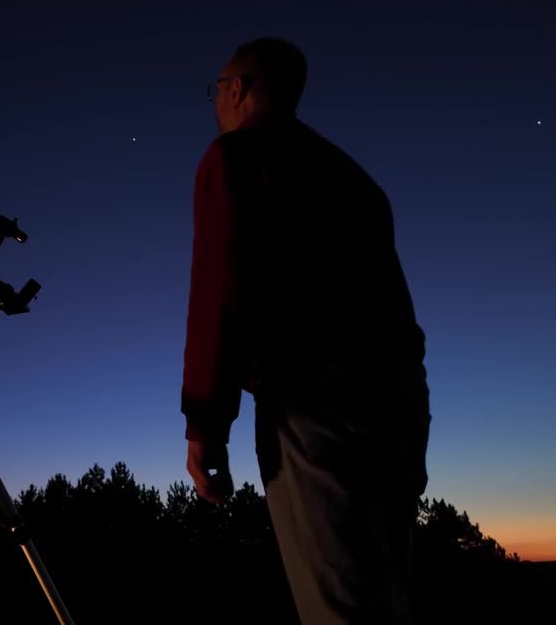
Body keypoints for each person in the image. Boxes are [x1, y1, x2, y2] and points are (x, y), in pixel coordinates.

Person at [181, 37, 432, 624]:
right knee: (386, 588)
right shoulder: (356, 180)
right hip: (400, 400)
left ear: (239, 89)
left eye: (217, 88)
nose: (214, 100)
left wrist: (205, 424)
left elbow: (218, 288)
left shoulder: (236, 157)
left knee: (340, 604)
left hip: (313, 402)